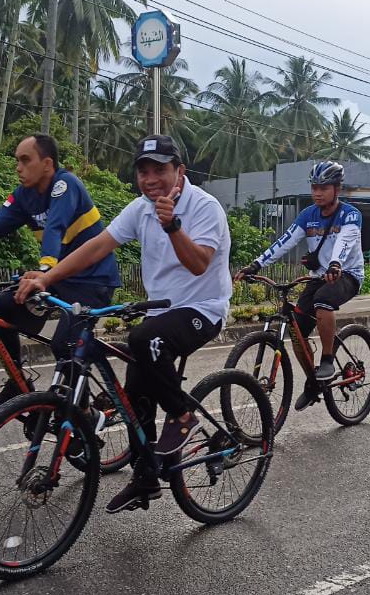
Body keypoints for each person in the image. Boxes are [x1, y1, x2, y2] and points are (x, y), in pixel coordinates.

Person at [16, 134, 232, 513]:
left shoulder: (205, 207)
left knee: (144, 338)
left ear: (179, 172)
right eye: (143, 171)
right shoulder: (140, 208)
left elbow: (199, 264)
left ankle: (183, 416)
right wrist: (46, 279)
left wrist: (173, 226)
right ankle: (146, 476)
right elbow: (97, 247)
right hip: (160, 311)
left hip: (204, 308)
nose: (151, 179)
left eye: (160, 170)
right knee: (134, 396)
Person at [0, 134, 120, 407]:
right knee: (1, 308)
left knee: (65, 345)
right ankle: (18, 384)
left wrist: (44, 270)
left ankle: (78, 416)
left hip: (92, 280)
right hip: (55, 278)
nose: (18, 167)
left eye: (25, 160)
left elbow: (55, 226)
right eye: (16, 161)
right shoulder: (24, 196)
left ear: (47, 164)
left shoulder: (65, 184)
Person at [236, 161, 364, 411]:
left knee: (324, 301)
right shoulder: (308, 215)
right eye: (314, 187)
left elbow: (345, 242)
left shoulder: (350, 214)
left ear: (337, 188)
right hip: (319, 276)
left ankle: (327, 359)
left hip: (346, 274)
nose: (317, 192)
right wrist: (256, 265)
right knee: (296, 330)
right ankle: (313, 382)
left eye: (324, 188)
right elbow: (284, 241)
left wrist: (336, 264)